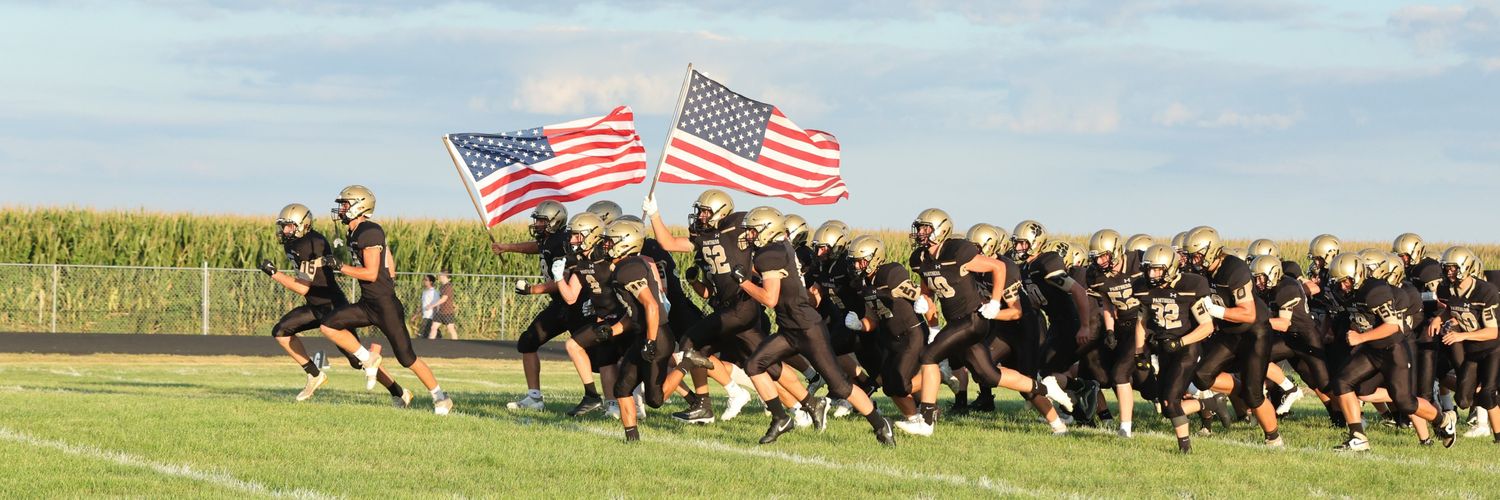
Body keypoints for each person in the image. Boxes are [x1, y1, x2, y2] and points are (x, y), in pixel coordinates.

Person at [739, 206, 895, 446]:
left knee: (841, 386)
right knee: (754, 364)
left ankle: (879, 423)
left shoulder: (770, 253)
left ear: (767, 230)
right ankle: (780, 418)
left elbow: (769, 299)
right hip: (791, 329)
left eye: (752, 230)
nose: (749, 235)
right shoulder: (781, 248)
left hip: (808, 330)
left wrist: (742, 282)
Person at [317, 185, 453, 415]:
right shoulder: (354, 231)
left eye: (345, 204)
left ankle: (441, 397)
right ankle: (367, 358)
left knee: (407, 358)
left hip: (385, 306)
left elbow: (370, 273)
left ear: (359, 206)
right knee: (328, 325)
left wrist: (341, 267)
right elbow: (389, 265)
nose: (340, 209)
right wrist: (387, 278)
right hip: (368, 303)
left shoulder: (369, 231)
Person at [258, 203, 409, 406]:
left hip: (332, 306)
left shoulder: (311, 243)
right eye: (283, 226)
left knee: (358, 361)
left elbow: (303, 287)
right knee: (281, 331)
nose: (284, 231)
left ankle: (399, 392)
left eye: (288, 226)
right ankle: (314, 374)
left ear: (302, 225)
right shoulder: (292, 244)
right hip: (315, 305)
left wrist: (275, 274)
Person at [491, 201, 584, 410]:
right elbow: (537, 247)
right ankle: (534, 398)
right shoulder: (548, 240)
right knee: (528, 342)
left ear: (554, 221)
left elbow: (564, 280)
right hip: (560, 305)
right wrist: (507, 247)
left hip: (575, 304)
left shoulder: (563, 242)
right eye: (538, 220)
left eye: (542, 220)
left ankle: (617, 400)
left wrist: (533, 289)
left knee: (602, 354)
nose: (538, 224)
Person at [1134, 244, 1215, 453]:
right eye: (1149, 269)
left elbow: (1207, 326)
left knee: (1171, 400)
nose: (1152, 274)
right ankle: (1208, 405)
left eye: (1157, 269)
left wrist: (1181, 342)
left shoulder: (1191, 285)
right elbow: (1141, 322)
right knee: (1165, 405)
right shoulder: (1144, 287)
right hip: (1163, 348)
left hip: (1186, 348)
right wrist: (1139, 351)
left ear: (1171, 268)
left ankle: (1185, 449)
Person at [427, 270, 459, 340]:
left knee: (451, 329)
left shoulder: (448, 286)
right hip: (440, 312)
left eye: (440, 275)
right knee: (433, 327)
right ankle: (429, 344)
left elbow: (444, 299)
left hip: (447, 312)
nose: (439, 277)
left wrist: (432, 306)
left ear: (444, 276)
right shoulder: (443, 286)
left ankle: (456, 344)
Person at [418, 274, 439, 339]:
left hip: (430, 316)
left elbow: (437, 305)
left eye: (426, 280)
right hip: (425, 316)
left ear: (431, 282)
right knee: (433, 334)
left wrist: (436, 316)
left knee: (421, 335)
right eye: (424, 280)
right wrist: (416, 315)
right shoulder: (424, 292)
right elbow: (423, 305)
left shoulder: (434, 292)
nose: (424, 281)